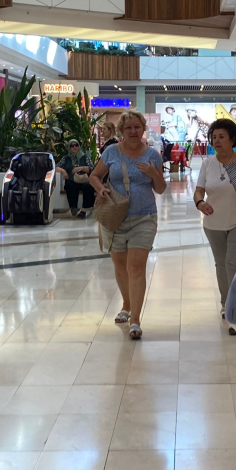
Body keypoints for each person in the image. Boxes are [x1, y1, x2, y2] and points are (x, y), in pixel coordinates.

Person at [90, 110, 166, 340]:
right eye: (128, 128)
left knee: (136, 266)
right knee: (120, 264)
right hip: (115, 217)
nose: (133, 131)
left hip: (144, 217)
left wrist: (153, 173)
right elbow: (94, 175)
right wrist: (100, 189)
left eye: (137, 127)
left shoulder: (152, 155)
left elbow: (160, 189)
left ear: (143, 129)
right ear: (122, 131)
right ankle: (126, 304)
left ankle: (136, 320)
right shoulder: (111, 152)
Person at [194, 118, 236, 337]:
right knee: (221, 264)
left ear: (233, 139)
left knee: (233, 263)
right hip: (214, 223)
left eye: (221, 136)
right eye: (214, 137)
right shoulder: (207, 164)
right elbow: (199, 190)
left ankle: (235, 310)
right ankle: (225, 302)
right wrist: (200, 203)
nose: (216, 141)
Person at [57, 139, 95, 218]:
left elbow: (92, 168)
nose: (74, 147)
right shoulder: (66, 158)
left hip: (84, 180)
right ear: (69, 147)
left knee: (88, 187)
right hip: (72, 181)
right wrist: (63, 171)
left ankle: (84, 210)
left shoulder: (85, 157)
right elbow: (55, 167)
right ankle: (73, 208)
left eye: (76, 145)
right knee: (70, 186)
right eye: (72, 146)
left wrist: (81, 168)